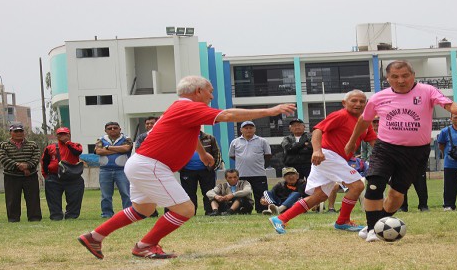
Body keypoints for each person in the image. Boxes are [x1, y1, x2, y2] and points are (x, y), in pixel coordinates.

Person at [78, 75, 295, 259]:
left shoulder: (182, 108)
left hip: (143, 163)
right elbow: (228, 115)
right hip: (151, 165)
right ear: (198, 91)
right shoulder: (188, 106)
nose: (212, 96)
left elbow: (190, 133)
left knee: (142, 209)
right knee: (185, 209)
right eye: (210, 91)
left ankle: (94, 237)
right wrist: (271, 111)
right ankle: (145, 246)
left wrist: (202, 153)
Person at [344, 61, 457, 242]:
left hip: (416, 152)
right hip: (386, 148)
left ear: (413, 75)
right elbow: (364, 121)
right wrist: (352, 142)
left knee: (397, 194)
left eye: (405, 76)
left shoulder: (427, 91)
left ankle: (374, 225)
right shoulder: (378, 97)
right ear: (388, 79)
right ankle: (374, 230)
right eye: (395, 77)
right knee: (375, 185)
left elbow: (448, 104)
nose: (401, 80)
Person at [270, 89, 377, 235]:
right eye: (354, 101)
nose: (358, 104)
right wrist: (317, 150)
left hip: (332, 159)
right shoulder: (340, 115)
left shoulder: (365, 121)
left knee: (320, 196)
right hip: (328, 156)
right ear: (344, 103)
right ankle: (342, 221)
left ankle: (281, 218)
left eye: (362, 101)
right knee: (357, 185)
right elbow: (317, 131)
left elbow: (373, 142)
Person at [0, 123, 42, 222]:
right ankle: (13, 218)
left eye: (21, 131)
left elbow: (36, 157)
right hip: (11, 176)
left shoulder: (32, 144)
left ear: (24, 132)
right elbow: (3, 158)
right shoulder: (3, 145)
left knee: (33, 198)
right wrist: (19, 165)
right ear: (11, 133)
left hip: (30, 176)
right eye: (16, 131)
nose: (19, 133)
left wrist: (27, 166)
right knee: (12, 199)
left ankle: (34, 217)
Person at [41, 127, 85, 220]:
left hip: (73, 177)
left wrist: (67, 142)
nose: (62, 136)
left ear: (69, 135)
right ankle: (56, 216)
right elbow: (44, 161)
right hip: (54, 176)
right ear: (57, 136)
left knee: (74, 198)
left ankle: (71, 216)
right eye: (60, 134)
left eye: (65, 134)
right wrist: (46, 175)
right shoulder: (50, 148)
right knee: (53, 199)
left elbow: (77, 152)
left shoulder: (76, 145)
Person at [229, 121, 271, 214]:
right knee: (243, 194)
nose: (249, 130)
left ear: (255, 129)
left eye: (251, 128)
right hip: (242, 173)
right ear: (241, 130)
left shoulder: (262, 141)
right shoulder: (235, 142)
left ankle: (262, 210)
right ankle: (244, 210)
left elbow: (268, 155)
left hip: (259, 173)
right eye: (246, 128)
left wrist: (260, 165)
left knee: (261, 193)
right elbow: (232, 156)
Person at [94, 121, 133, 218]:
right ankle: (106, 214)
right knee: (105, 195)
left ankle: (127, 214)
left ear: (120, 129)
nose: (112, 130)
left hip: (122, 170)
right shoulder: (101, 139)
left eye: (115, 128)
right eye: (109, 128)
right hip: (105, 170)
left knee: (126, 193)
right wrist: (117, 150)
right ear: (105, 130)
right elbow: (98, 151)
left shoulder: (126, 138)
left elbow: (126, 149)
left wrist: (107, 148)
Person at [180, 130, 221, 215]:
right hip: (187, 171)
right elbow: (176, 153)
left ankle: (210, 211)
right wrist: (180, 168)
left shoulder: (209, 138)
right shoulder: (181, 137)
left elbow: (217, 153)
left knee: (208, 192)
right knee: (189, 194)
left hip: (206, 171)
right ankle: (191, 212)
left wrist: (213, 168)